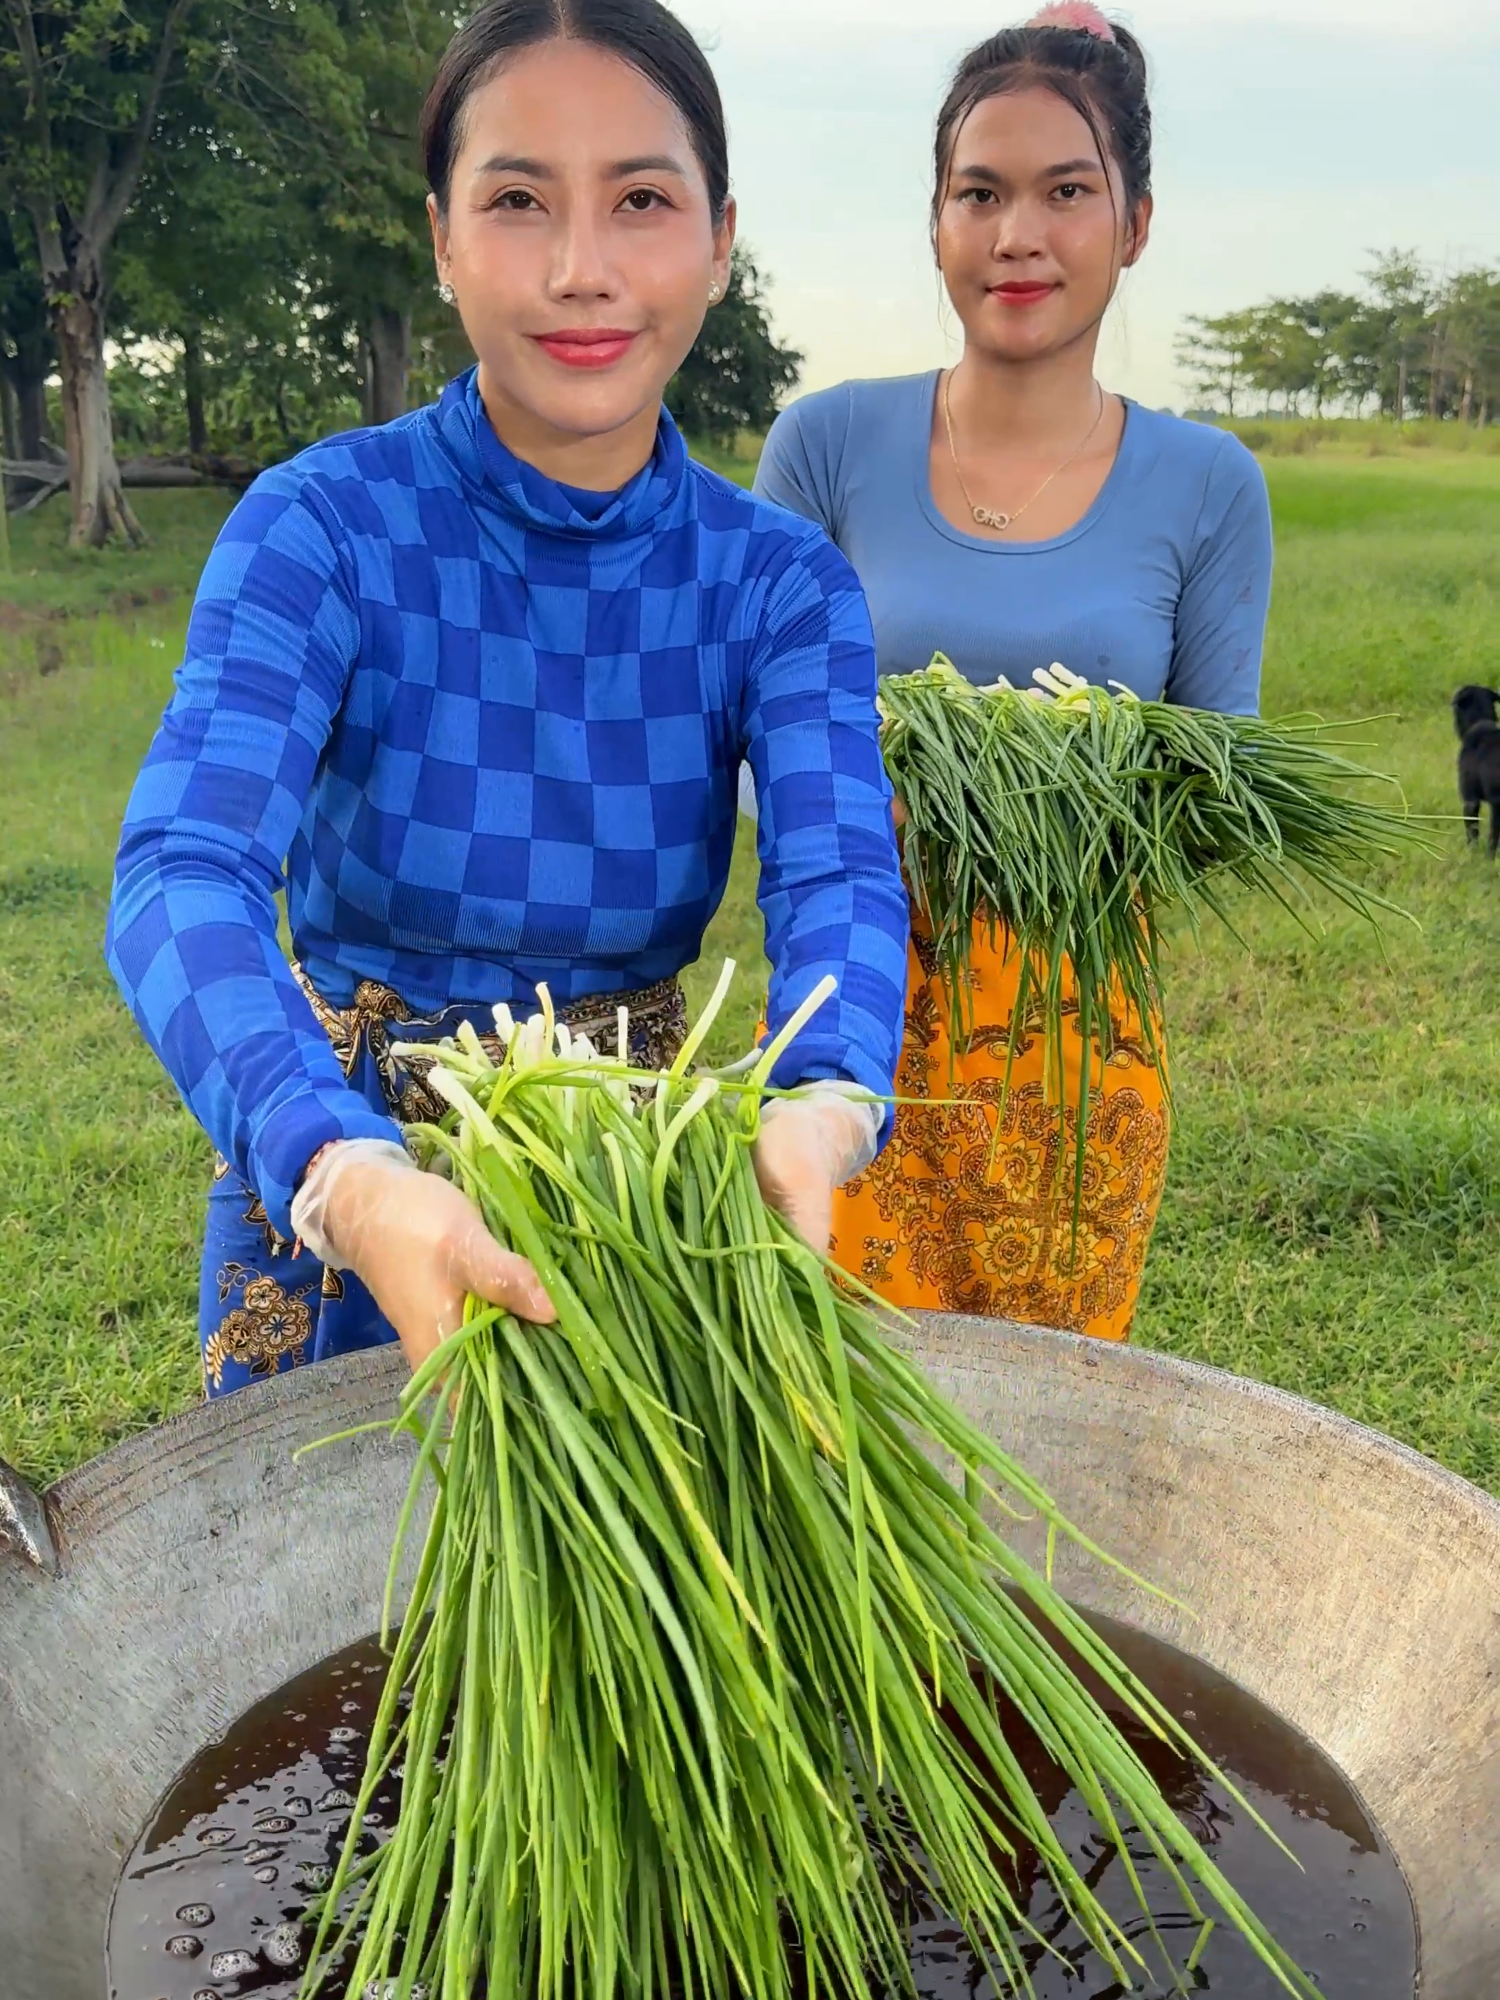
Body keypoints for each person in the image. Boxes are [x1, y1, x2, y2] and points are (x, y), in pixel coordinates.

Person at [107, 0, 908, 1398]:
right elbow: (183, 868)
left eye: (643, 201)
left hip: (629, 1196)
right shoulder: (324, 530)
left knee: (620, 1594)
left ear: (720, 241)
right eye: (520, 200)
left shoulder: (778, 584)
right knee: (332, 1603)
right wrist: (341, 1170)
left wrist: (826, 1099)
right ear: (442, 236)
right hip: (345, 1179)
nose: (582, 269)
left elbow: (838, 869)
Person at [753, 2, 1272, 1340]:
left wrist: (1060, 783)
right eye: (980, 192)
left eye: (1065, 192)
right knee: (833, 1435)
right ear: (935, 220)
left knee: (1038, 1454)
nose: (1017, 235)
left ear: (1135, 224)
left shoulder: (1210, 487)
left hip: (1077, 1049)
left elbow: (1216, 798)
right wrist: (896, 792)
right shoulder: (825, 447)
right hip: (851, 1028)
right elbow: (756, 759)